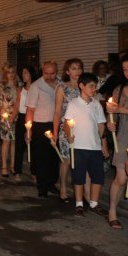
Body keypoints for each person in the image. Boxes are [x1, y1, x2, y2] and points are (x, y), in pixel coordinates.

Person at [64, 72, 107, 217]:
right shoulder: (73, 103)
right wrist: (69, 135)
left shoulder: (97, 105)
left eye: (95, 86)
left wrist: (104, 144)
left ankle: (94, 203)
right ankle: (79, 204)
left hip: (94, 147)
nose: (94, 89)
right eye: (91, 86)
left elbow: (101, 125)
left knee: (97, 176)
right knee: (79, 176)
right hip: (78, 147)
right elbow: (67, 123)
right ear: (81, 86)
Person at [25, 61, 60, 198]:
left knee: (54, 156)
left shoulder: (60, 84)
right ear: (42, 71)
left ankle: (52, 183)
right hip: (40, 125)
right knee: (41, 157)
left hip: (56, 124)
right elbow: (30, 109)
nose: (49, 76)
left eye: (52, 73)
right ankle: (42, 186)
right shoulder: (36, 86)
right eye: (46, 73)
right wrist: (29, 129)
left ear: (56, 72)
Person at [52, 58, 83, 203]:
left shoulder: (84, 86)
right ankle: (63, 187)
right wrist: (55, 131)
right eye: (74, 68)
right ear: (67, 71)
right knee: (66, 160)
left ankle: (80, 188)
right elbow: (57, 111)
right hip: (67, 128)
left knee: (80, 159)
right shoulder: (62, 88)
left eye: (79, 68)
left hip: (83, 128)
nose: (77, 71)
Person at [105, 56, 128, 229]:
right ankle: (112, 211)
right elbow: (111, 112)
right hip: (123, 136)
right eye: (125, 69)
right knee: (121, 178)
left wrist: (121, 109)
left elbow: (119, 109)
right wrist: (110, 121)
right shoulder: (119, 90)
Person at [11, 65, 37, 182]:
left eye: (26, 72)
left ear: (31, 74)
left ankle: (34, 172)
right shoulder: (20, 89)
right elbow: (17, 105)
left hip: (34, 118)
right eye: (22, 73)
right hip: (21, 117)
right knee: (19, 146)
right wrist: (12, 118)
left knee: (33, 146)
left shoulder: (37, 88)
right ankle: (17, 171)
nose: (23, 75)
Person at [0, 64, 18, 177]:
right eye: (9, 72)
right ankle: (4, 166)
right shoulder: (2, 86)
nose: (11, 74)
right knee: (6, 141)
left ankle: (13, 166)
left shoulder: (19, 84)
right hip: (6, 117)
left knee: (14, 142)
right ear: (5, 73)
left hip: (17, 116)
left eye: (13, 72)